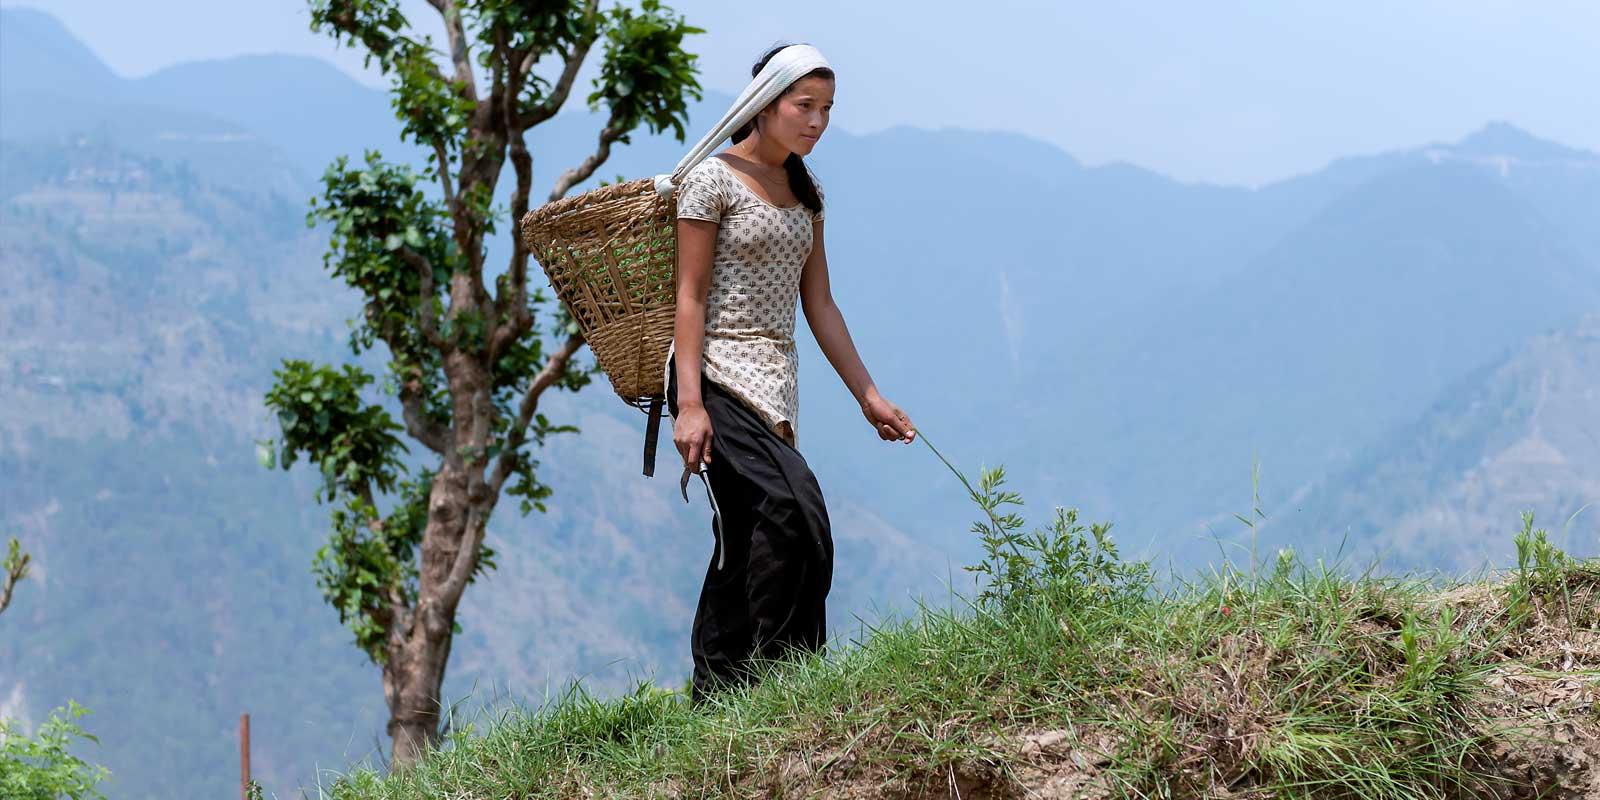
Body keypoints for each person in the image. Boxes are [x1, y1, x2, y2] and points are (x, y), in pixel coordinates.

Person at [664, 42, 917, 704]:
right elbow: (687, 297)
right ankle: (785, 679)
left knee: (746, 537)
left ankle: (719, 696)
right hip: (713, 375)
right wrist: (689, 405)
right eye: (804, 106)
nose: (817, 122)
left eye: (827, 109)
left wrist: (870, 396)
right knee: (793, 509)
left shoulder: (807, 193)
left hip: (773, 382)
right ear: (763, 104)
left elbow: (820, 304)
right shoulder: (711, 182)